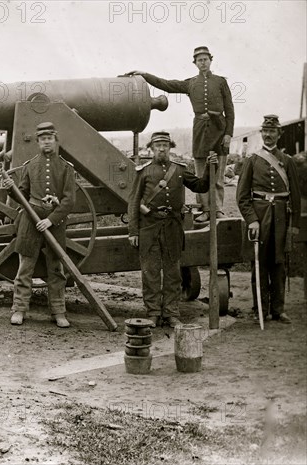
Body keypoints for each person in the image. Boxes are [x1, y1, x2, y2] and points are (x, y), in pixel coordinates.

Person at [126, 46, 234, 222]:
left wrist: (228, 133)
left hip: (219, 129)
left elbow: (230, 110)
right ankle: (206, 210)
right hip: (200, 130)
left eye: (205, 59)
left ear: (210, 60)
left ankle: (218, 210)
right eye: (199, 60)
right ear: (195, 63)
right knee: (201, 173)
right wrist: (145, 75)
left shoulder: (221, 82)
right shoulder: (190, 83)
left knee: (219, 174)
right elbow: (167, 85)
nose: (203, 62)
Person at [128, 131, 219, 328]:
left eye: (165, 145)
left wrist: (212, 167)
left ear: (170, 148)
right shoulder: (144, 172)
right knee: (150, 272)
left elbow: (200, 186)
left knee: (172, 273)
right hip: (149, 229)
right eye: (158, 145)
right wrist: (133, 231)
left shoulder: (179, 170)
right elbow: (134, 202)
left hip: (172, 228)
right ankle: (153, 313)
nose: (162, 149)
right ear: (151, 148)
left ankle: (171, 313)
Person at [3, 122, 76, 328]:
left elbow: (69, 200)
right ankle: (19, 309)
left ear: (55, 140)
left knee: (56, 269)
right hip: (30, 221)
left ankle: (58, 312)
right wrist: (11, 189)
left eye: (49, 138)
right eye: (42, 139)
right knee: (25, 268)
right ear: (38, 142)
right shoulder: (30, 165)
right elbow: (22, 195)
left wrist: (51, 220)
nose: (46, 142)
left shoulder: (65, 168)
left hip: (55, 223)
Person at [236, 115, 300, 325]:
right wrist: (252, 220)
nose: (268, 135)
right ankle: (260, 308)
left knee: (280, 263)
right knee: (260, 264)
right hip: (260, 218)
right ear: (261, 133)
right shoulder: (252, 160)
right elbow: (242, 196)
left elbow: (296, 196)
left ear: (279, 135)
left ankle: (278, 309)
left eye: (272, 131)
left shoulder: (287, 161)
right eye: (265, 131)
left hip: (281, 218)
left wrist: (294, 227)